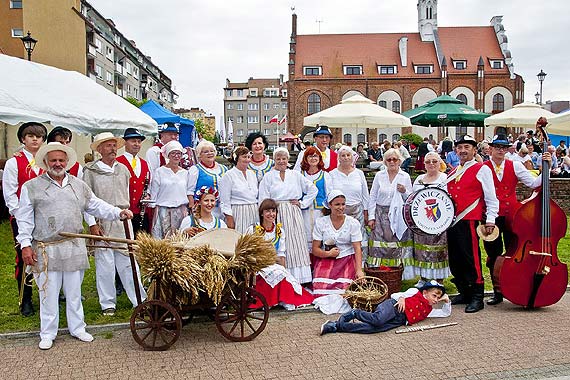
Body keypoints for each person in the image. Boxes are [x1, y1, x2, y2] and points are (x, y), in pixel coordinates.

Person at [16, 142, 134, 350]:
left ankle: (77, 328)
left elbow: (95, 205)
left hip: (73, 246)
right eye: (53, 160)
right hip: (46, 247)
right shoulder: (32, 187)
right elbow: (23, 218)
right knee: (48, 293)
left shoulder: (78, 185)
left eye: (61, 160)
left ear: (67, 162)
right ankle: (48, 333)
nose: (58, 164)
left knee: (73, 292)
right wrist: (25, 245)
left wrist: (117, 212)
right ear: (45, 162)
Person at [83, 132, 147, 316]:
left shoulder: (123, 169)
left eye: (113, 145)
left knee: (129, 260)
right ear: (100, 149)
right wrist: (92, 223)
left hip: (122, 220)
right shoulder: (90, 171)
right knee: (105, 263)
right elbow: (86, 200)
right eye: (108, 145)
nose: (112, 149)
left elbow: (126, 195)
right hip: (102, 220)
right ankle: (108, 303)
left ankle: (139, 299)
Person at [482, 133, 549, 305]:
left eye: (503, 147)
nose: (500, 150)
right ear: (490, 149)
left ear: (507, 149)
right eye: (497, 147)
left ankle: (515, 287)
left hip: (514, 217)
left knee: (516, 252)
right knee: (493, 254)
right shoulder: (482, 167)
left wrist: (545, 166)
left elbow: (534, 184)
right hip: (491, 217)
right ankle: (497, 291)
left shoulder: (516, 166)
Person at [446, 135, 498, 313]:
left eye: (466, 147)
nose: (462, 150)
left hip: (470, 220)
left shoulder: (481, 169)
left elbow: (491, 197)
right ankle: (464, 291)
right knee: (455, 259)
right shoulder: (453, 171)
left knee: (471, 259)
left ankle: (477, 296)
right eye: (459, 147)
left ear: (474, 150)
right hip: (453, 222)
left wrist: (491, 219)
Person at [3, 121, 47, 316]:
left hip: (46, 216)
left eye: (38, 136)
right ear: (23, 139)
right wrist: (20, 214)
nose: (35, 139)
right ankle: (26, 299)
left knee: (46, 256)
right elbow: (10, 193)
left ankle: (48, 295)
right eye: (30, 136)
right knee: (25, 257)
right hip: (22, 217)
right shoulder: (15, 162)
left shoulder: (47, 159)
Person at [259, 148, 318, 284]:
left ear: (288, 160)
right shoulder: (268, 176)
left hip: (293, 211)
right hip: (276, 212)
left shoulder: (295, 175)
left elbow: (313, 189)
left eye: (284, 158)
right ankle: (282, 277)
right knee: (281, 243)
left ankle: (300, 279)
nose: (281, 161)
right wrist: (267, 214)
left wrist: (302, 203)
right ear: (274, 160)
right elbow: (263, 197)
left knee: (295, 242)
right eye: (278, 159)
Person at [246, 199, 314, 310]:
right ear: (261, 213)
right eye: (267, 211)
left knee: (281, 273)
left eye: (273, 211)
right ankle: (269, 300)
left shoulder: (279, 231)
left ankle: (282, 299)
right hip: (257, 266)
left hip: (273, 265)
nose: (271, 214)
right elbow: (248, 252)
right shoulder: (253, 229)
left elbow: (281, 254)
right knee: (274, 272)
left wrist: (284, 271)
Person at [320, 280, 450, 335]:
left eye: (438, 298)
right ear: (425, 292)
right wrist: (402, 298)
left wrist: (446, 300)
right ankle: (355, 312)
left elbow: (445, 314)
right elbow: (395, 294)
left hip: (399, 320)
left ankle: (335, 326)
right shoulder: (414, 292)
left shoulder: (429, 310)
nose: (436, 300)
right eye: (434, 296)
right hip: (392, 307)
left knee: (372, 329)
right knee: (378, 320)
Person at [367, 148, 414, 279]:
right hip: (380, 214)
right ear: (385, 161)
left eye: (395, 159)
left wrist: (404, 190)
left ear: (400, 161)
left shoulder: (404, 176)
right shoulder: (379, 175)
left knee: (397, 243)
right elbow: (373, 197)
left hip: (398, 215)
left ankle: (398, 273)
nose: (392, 162)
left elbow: (410, 199)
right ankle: (379, 271)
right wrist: (371, 217)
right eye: (389, 159)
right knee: (379, 243)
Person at [312, 190, 364, 298]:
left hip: (347, 260)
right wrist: (328, 254)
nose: (341, 207)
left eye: (343, 204)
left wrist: (359, 270)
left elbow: (357, 248)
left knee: (344, 291)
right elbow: (315, 249)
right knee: (320, 290)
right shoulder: (321, 222)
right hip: (326, 260)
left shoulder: (352, 223)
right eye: (337, 204)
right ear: (329, 205)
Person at [411, 152, 451, 286]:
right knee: (422, 249)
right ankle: (423, 278)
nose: (431, 164)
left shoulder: (445, 178)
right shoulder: (419, 179)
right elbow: (413, 199)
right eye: (428, 162)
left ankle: (439, 279)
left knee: (439, 250)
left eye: (434, 161)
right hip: (422, 220)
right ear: (424, 165)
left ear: (440, 163)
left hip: (439, 221)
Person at [330, 145, 370, 263]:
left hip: (357, 210)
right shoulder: (332, 174)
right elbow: (330, 194)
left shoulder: (359, 173)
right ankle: (342, 264)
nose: (346, 158)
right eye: (343, 155)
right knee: (341, 237)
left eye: (348, 155)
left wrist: (366, 212)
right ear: (339, 158)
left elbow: (365, 194)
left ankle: (360, 264)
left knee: (359, 237)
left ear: (352, 157)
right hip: (339, 211)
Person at [148, 140, 191, 238]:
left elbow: (188, 191)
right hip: (163, 211)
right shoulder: (160, 172)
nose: (176, 156)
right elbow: (154, 192)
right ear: (168, 155)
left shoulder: (185, 173)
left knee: (180, 239)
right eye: (173, 153)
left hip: (181, 211)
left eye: (178, 153)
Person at [116, 128, 151, 234]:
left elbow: (147, 185)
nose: (137, 144)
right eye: (133, 141)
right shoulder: (118, 162)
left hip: (141, 213)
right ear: (125, 143)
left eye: (139, 141)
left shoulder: (144, 163)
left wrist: (147, 195)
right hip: (124, 211)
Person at [299, 146, 333, 252]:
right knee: (305, 236)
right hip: (304, 212)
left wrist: (328, 210)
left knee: (320, 236)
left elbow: (329, 194)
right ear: (305, 158)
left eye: (315, 156)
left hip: (320, 211)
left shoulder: (325, 175)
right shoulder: (300, 175)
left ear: (319, 158)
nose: (313, 159)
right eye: (310, 156)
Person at [219, 146, 259, 233]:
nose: (247, 160)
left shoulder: (252, 174)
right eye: (244, 157)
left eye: (248, 157)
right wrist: (229, 219)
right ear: (236, 158)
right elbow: (224, 200)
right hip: (238, 212)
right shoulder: (229, 175)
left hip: (254, 212)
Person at [187, 140, 228, 218]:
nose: (210, 153)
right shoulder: (195, 170)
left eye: (212, 151)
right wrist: (193, 208)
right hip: (203, 209)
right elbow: (190, 191)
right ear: (199, 155)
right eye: (206, 152)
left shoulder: (224, 168)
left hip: (222, 209)